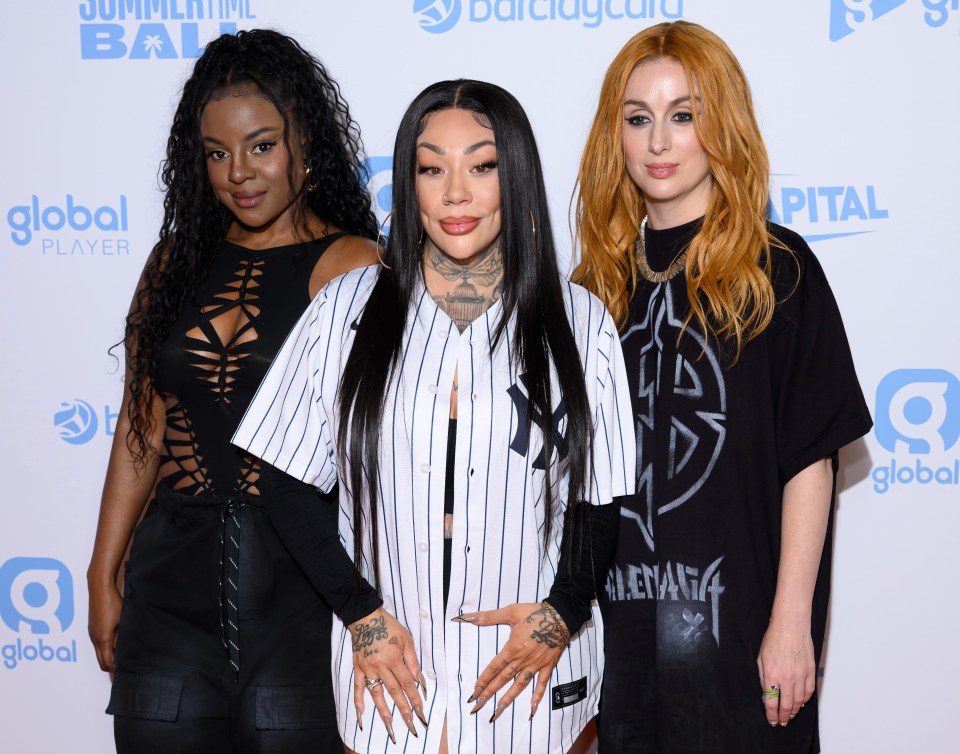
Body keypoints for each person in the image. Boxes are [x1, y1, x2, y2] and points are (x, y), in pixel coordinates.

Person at [234, 79, 635, 754]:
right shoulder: (344, 308)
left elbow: (596, 501)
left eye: (481, 166)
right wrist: (361, 614)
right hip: (390, 673)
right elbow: (286, 481)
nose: (456, 193)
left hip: (525, 678)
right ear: (408, 181)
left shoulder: (582, 322)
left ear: (516, 176)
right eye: (431, 168)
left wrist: (561, 615)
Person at [85, 29, 401, 753]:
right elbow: (142, 429)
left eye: (261, 146)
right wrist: (102, 572)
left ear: (305, 144)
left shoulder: (352, 267)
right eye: (217, 153)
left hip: (298, 596)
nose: (238, 172)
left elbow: (377, 456)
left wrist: (372, 613)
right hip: (166, 595)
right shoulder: (172, 264)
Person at [572, 20, 873, 754]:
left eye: (684, 116)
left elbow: (810, 457)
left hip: (744, 641)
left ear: (722, 126)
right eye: (638, 119)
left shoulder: (780, 271)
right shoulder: (593, 291)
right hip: (621, 647)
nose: (659, 141)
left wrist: (792, 623)